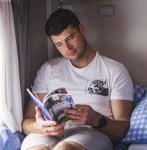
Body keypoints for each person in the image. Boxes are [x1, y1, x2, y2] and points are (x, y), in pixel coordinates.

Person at [21, 9, 134, 150]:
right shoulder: (48, 68)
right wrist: (39, 127)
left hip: (89, 132)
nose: (67, 48)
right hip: (48, 133)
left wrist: (98, 120)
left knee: (64, 148)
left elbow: (122, 129)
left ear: (81, 29)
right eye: (59, 44)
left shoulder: (114, 70)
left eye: (70, 38)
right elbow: (26, 123)